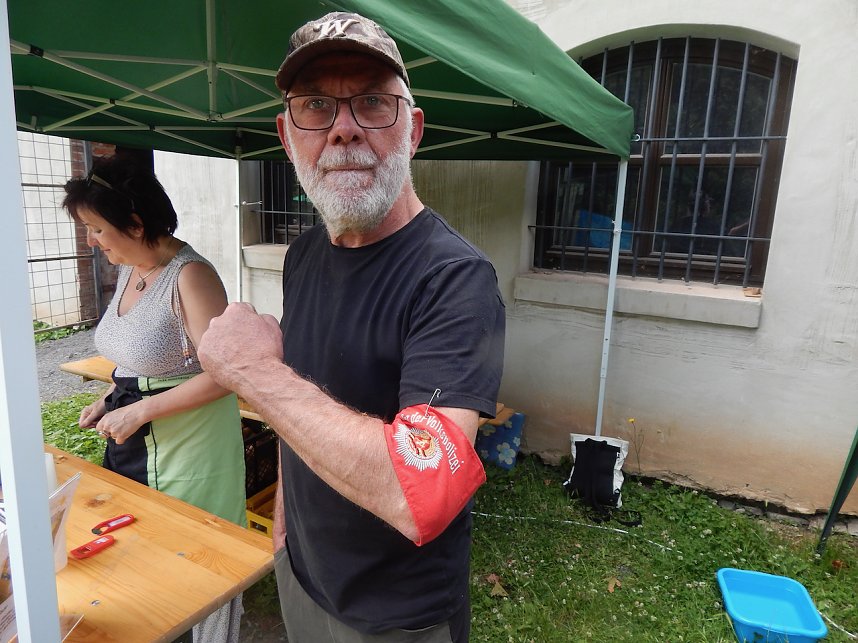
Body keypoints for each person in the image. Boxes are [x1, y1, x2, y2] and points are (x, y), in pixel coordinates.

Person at [197, 11, 506, 643]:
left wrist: (255, 372)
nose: (343, 130)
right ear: (287, 136)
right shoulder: (306, 254)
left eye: (371, 102)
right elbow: (304, 406)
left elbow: (422, 492)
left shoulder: (454, 279)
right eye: (315, 106)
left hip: (398, 617)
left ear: (412, 130)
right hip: (303, 573)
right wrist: (284, 525)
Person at [62, 157, 246, 643]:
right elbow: (138, 355)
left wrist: (141, 409)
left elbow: (227, 376)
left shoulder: (191, 277)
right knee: (143, 549)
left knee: (196, 557)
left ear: (136, 224)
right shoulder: (131, 267)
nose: (91, 242)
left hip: (191, 448)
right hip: (137, 439)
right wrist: (109, 397)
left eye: (97, 229)